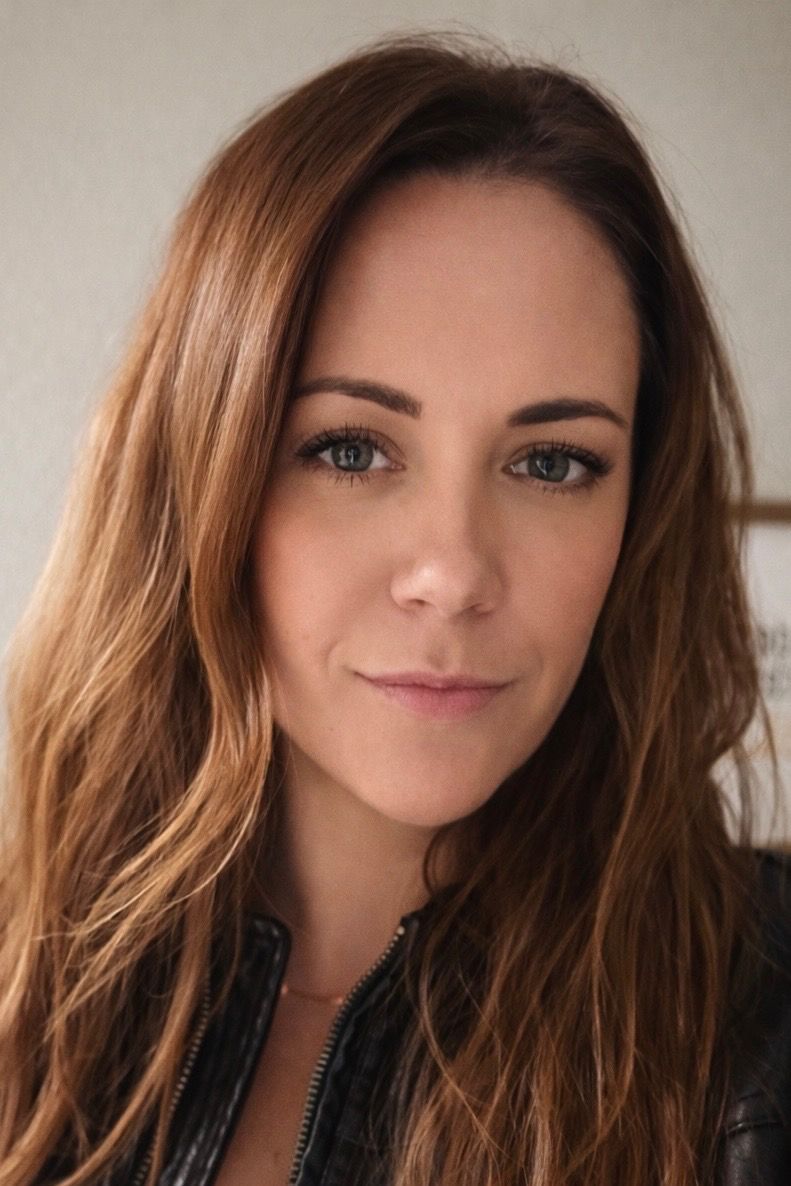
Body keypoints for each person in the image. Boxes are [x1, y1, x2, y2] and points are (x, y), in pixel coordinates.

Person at [0, 28, 788, 1186]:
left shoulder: (758, 1030)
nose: (453, 570)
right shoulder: (31, 975)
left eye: (553, 462)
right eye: (351, 448)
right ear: (199, 473)